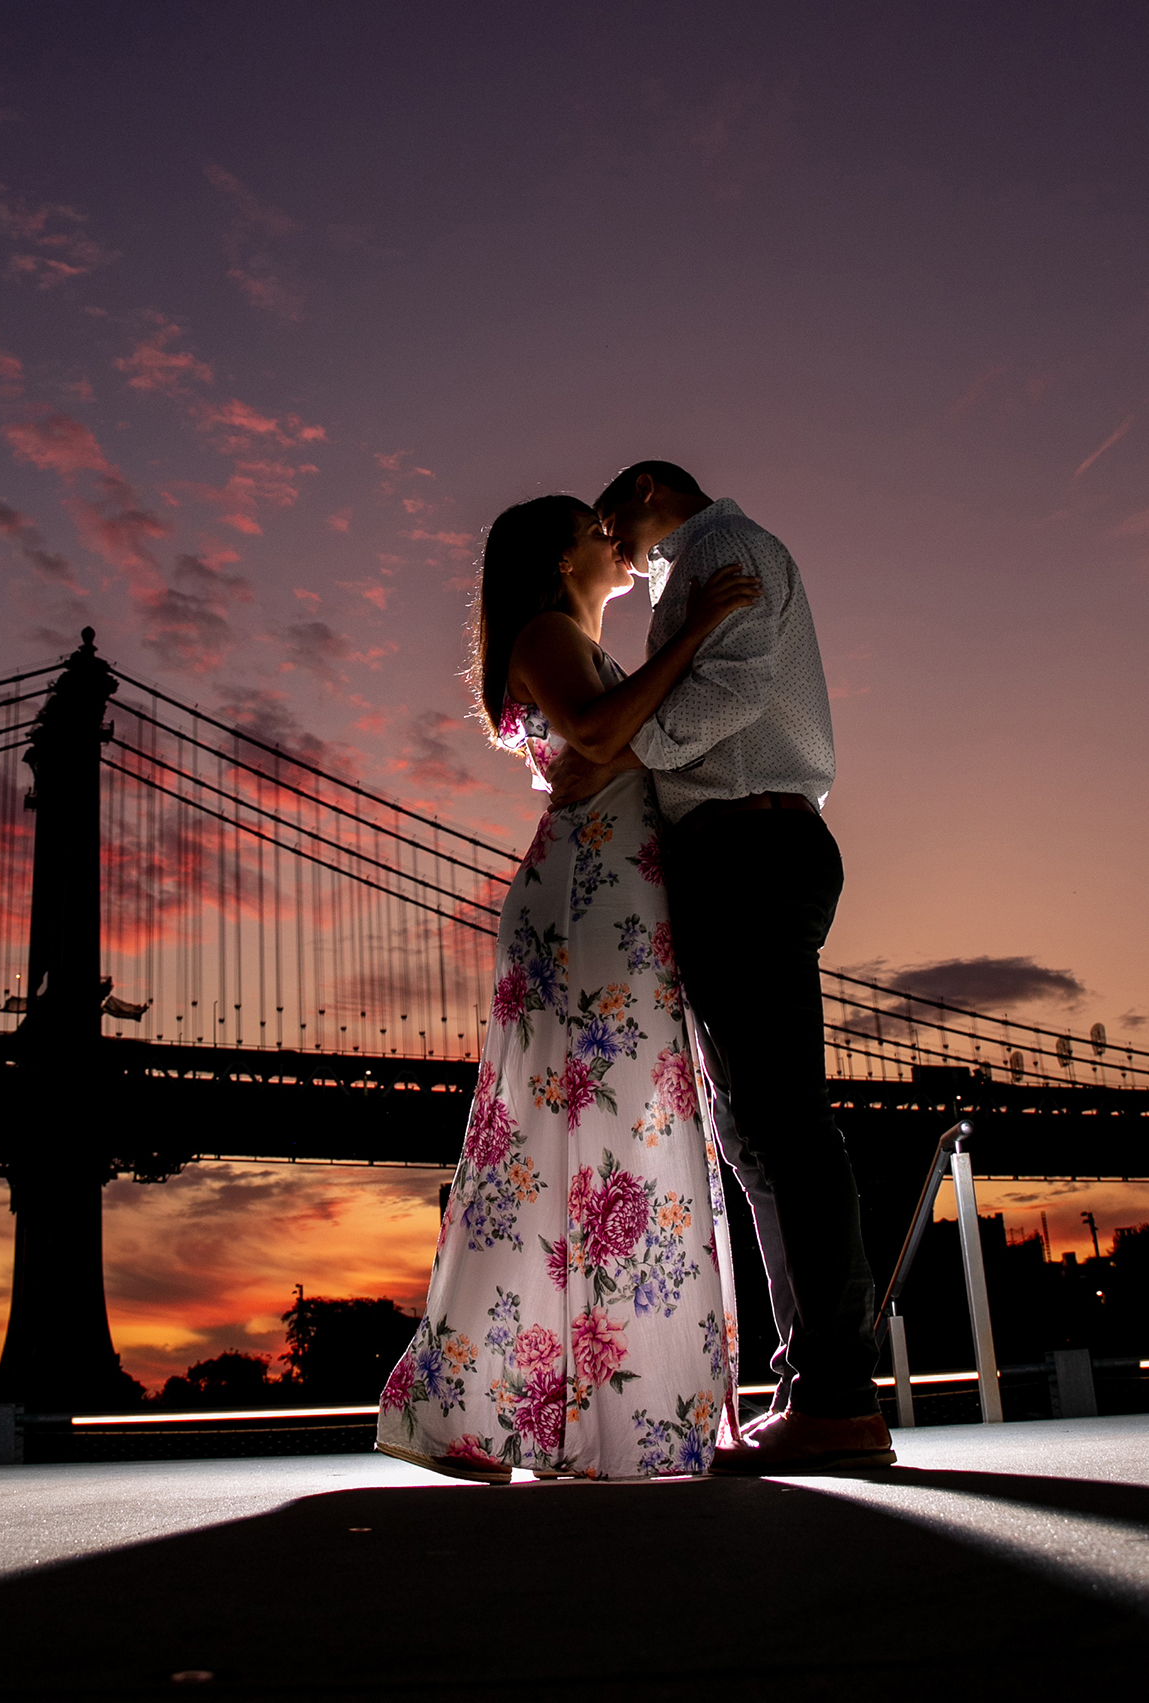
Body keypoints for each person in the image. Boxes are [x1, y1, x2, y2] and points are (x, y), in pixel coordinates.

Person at [375, 495, 760, 1482]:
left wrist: (616, 743)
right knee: (577, 1149)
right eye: (595, 527)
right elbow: (594, 731)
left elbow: (607, 743)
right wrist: (705, 631)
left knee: (584, 1152)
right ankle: (499, 1408)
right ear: (557, 554)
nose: (611, 536)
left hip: (612, 898)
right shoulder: (547, 630)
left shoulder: (572, 639)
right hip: (586, 904)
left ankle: (579, 1412)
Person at [547, 460, 894, 1474]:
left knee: (779, 1124)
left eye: (613, 518)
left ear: (652, 486)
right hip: (748, 847)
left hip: (748, 844)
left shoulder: (722, 552)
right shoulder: (694, 568)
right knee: (758, 1128)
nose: (611, 543)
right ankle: (820, 1389)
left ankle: (834, 1396)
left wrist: (623, 750)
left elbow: (735, 688)